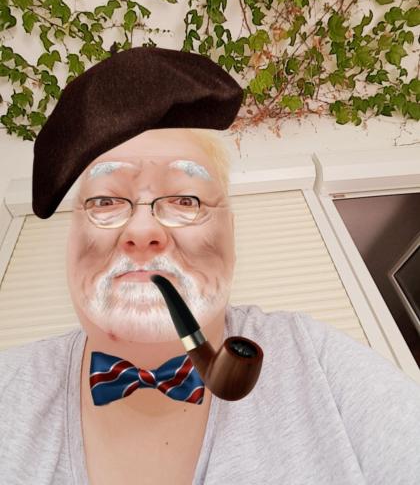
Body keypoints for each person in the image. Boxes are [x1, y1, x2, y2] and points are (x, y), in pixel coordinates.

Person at [1, 48, 420, 485]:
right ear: (70, 242)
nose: (142, 229)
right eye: (105, 201)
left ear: (232, 238)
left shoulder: (321, 366)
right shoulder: (9, 390)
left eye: (185, 199)